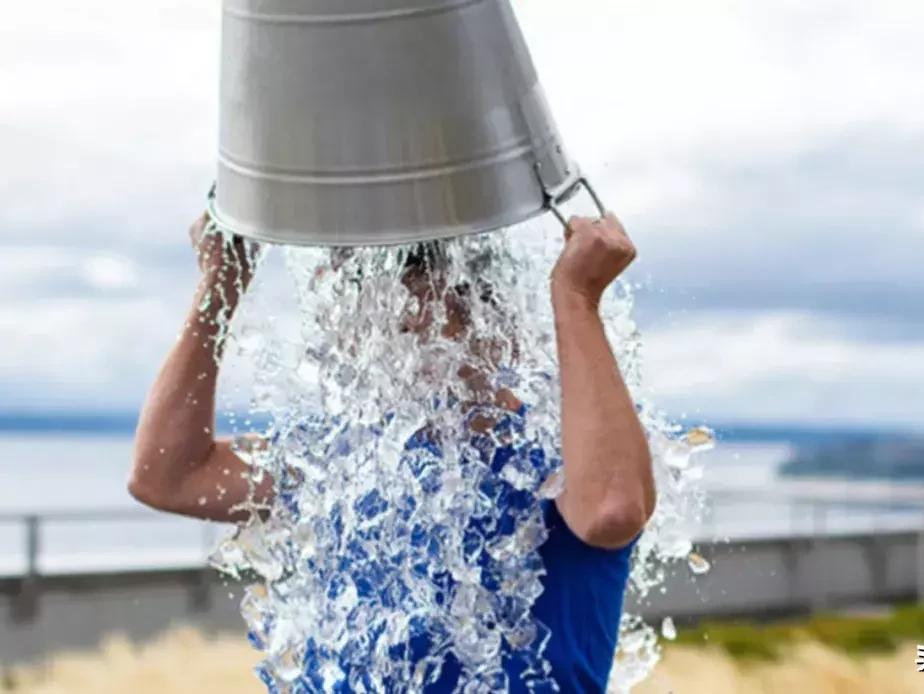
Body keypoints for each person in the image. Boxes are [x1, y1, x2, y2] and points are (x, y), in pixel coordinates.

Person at [128, 210, 656, 692]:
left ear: (498, 322)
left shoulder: (552, 456)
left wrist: (576, 297)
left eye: (418, 318)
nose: (399, 344)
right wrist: (220, 287)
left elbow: (613, 508)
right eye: (381, 323)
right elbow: (167, 475)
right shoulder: (346, 459)